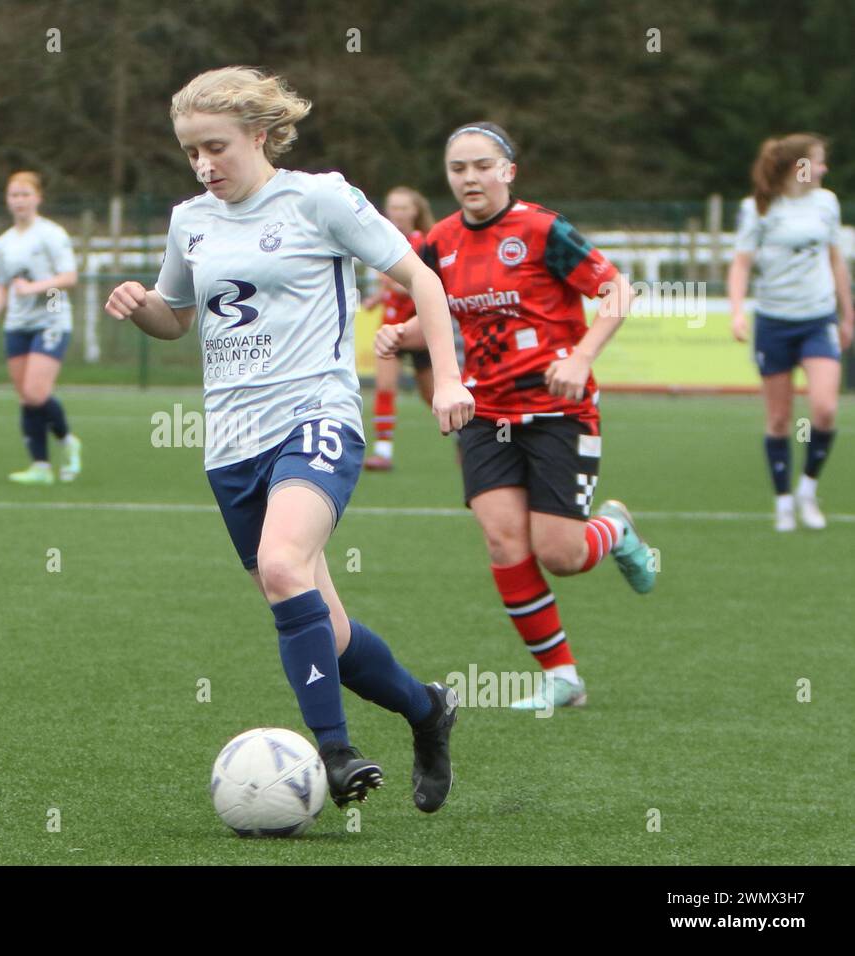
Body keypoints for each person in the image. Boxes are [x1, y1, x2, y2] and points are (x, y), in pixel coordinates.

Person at [104, 66, 474, 811]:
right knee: (324, 629)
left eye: (217, 147)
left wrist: (448, 378)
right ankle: (427, 710)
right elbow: (177, 318)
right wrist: (141, 306)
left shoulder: (319, 198)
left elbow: (424, 279)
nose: (205, 166)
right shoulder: (190, 221)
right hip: (230, 447)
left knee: (280, 566)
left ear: (261, 135)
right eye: (190, 152)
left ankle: (333, 755)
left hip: (316, 419)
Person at [379, 121, 654, 711]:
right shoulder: (440, 242)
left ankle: (618, 530)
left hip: (558, 409)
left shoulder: (543, 230)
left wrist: (580, 358)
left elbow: (618, 292)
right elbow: (435, 311)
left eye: (482, 165)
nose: (470, 177)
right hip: (485, 412)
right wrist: (399, 333)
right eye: (458, 168)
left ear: (508, 171)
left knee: (561, 554)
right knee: (505, 542)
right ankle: (561, 675)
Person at [728, 133, 853, 531]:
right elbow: (741, 264)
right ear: (797, 165)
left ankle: (808, 490)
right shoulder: (759, 209)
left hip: (817, 320)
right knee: (780, 418)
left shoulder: (826, 203)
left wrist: (846, 313)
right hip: (774, 322)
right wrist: (736, 312)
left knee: (825, 408)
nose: (823, 169)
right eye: (817, 161)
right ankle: (783, 500)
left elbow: (836, 260)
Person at [0, 171, 83, 485]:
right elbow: (3, 285)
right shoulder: (4, 242)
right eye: (13, 195)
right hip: (17, 324)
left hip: (51, 320)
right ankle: (40, 467)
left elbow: (69, 277)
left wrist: (36, 287)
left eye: (25, 194)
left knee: (37, 393)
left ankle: (67, 441)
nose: (19, 201)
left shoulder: (51, 234)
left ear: (38, 198)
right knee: (25, 396)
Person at [360, 187, 436, 471]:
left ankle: (469, 438)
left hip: (418, 331)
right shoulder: (385, 240)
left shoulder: (424, 243)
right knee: (384, 388)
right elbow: (390, 287)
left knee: (432, 395)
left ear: (415, 211)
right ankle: (383, 451)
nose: (398, 213)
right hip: (389, 328)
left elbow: (422, 288)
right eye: (393, 207)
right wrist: (376, 298)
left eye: (404, 207)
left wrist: (390, 284)